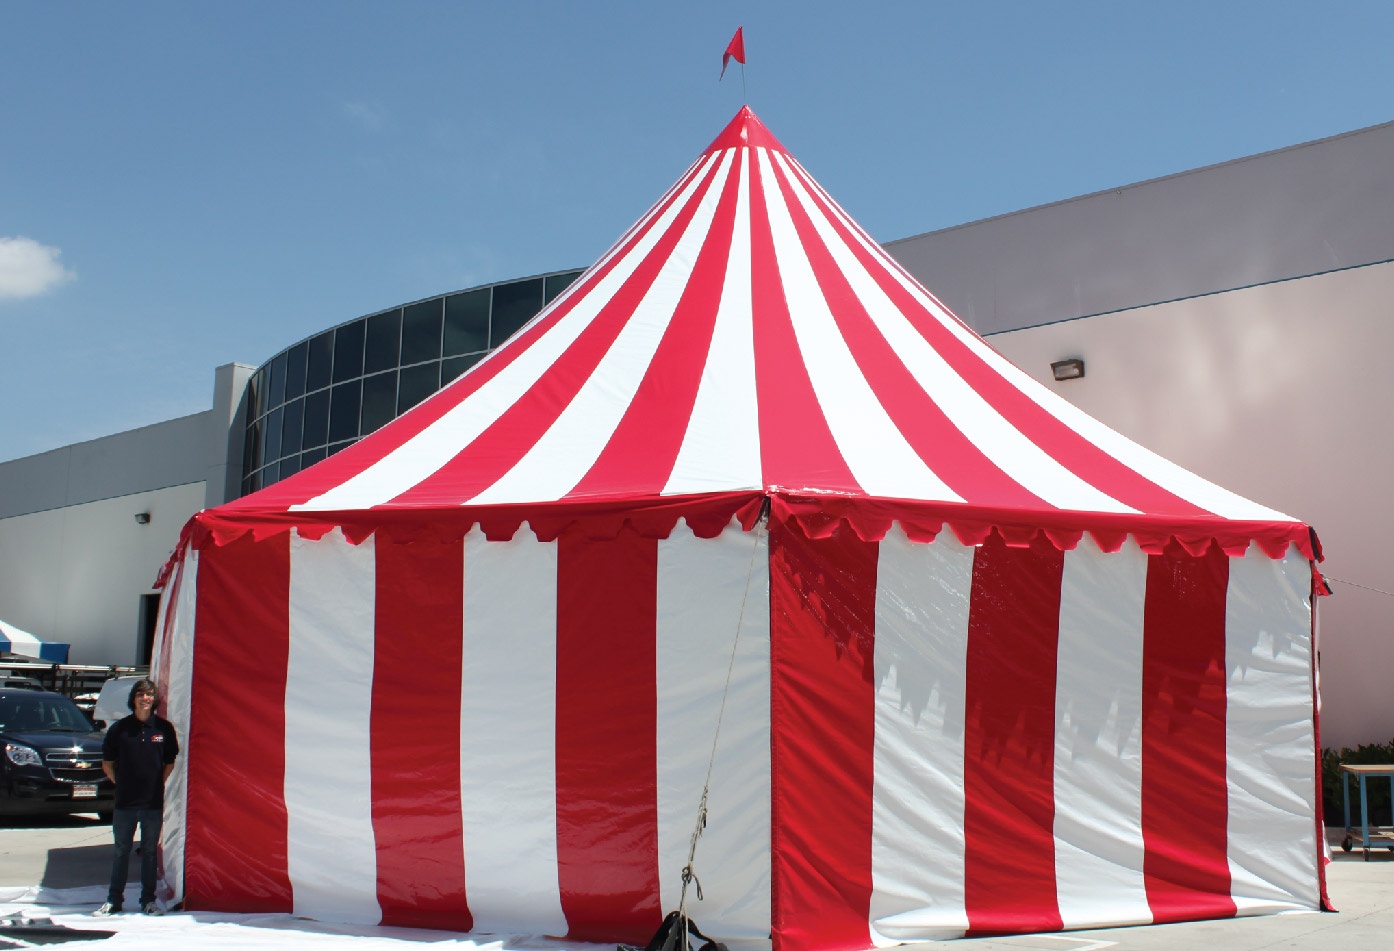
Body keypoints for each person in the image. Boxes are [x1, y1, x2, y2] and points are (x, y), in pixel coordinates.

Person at [94, 678, 179, 917]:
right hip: (125, 804)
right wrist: (121, 784)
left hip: (152, 803)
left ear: (154, 700)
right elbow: (107, 763)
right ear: (133, 698)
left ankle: (148, 901)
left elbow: (169, 762)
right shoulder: (119, 729)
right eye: (141, 695)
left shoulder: (163, 729)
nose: (145, 699)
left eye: (149, 695)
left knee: (150, 852)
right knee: (121, 851)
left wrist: (156, 783)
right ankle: (114, 901)